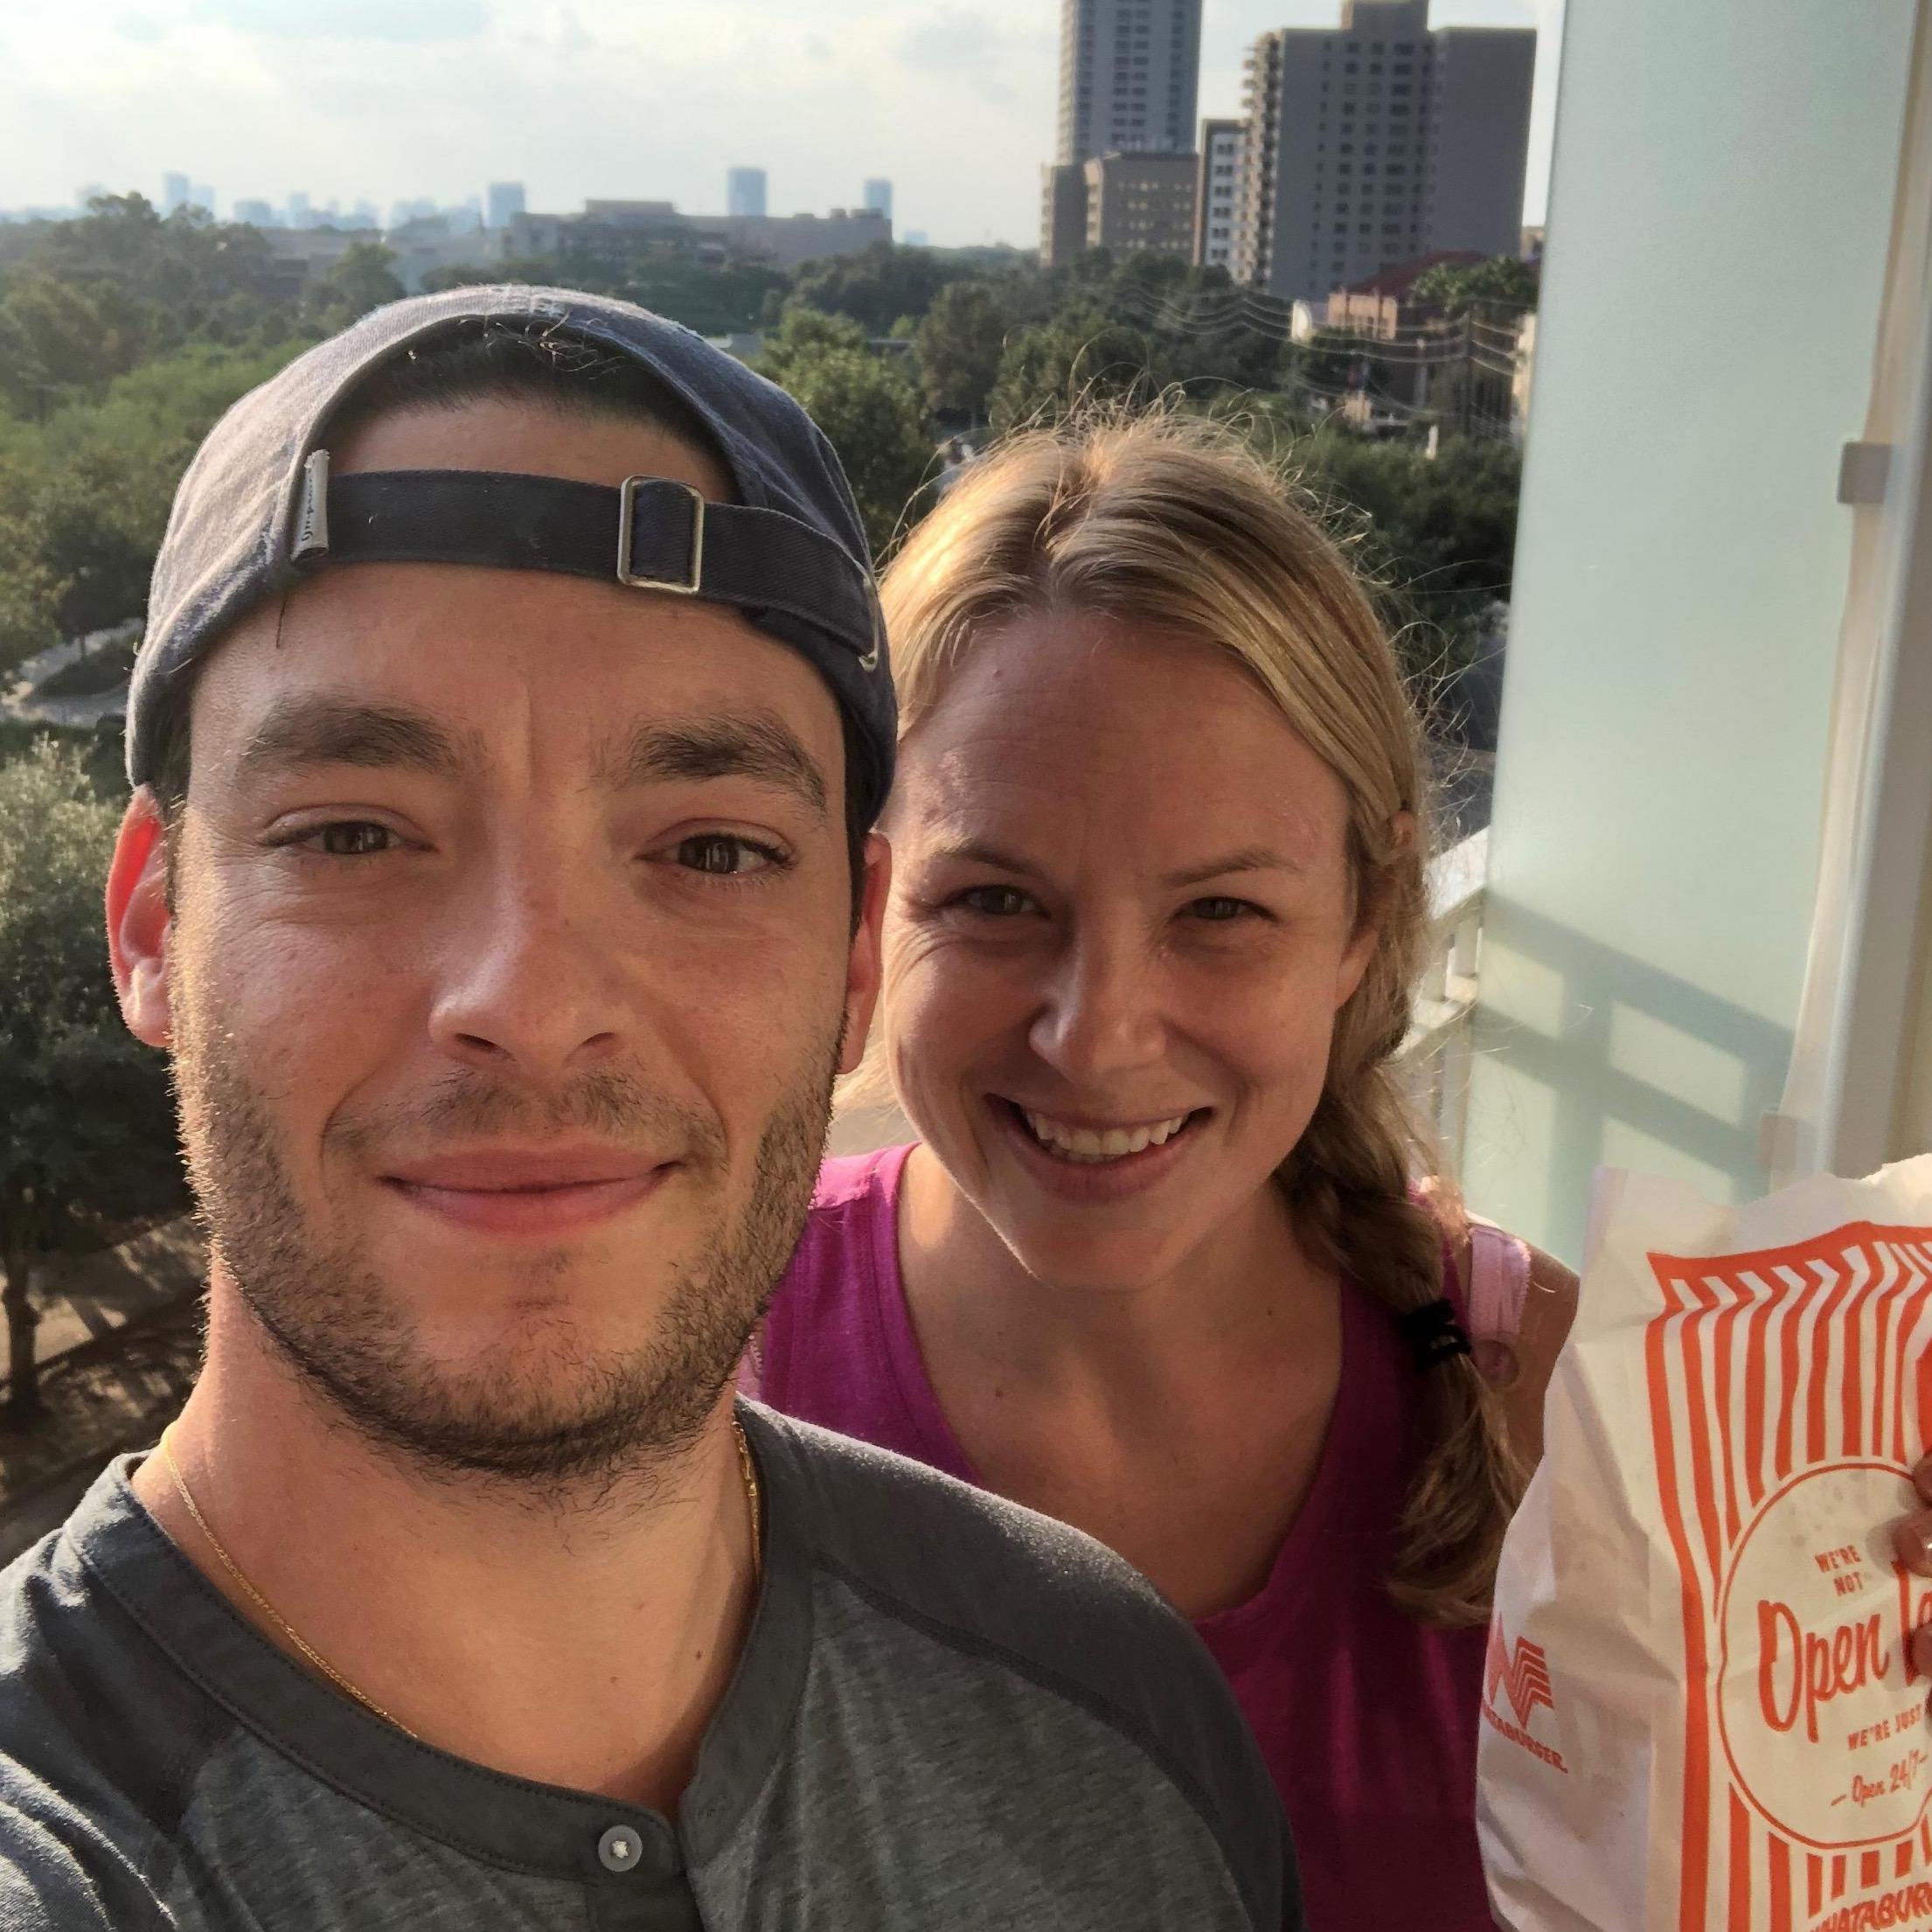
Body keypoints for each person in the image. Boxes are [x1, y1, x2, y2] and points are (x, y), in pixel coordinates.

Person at [0, 295, 1296, 1931]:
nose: (532, 998)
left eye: (709, 849)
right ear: (152, 930)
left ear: (848, 961)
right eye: (351, 834)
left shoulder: (1118, 1734)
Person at [747, 409, 1574, 1931]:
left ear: (1360, 915)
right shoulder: (701, 1369)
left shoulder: (1550, 1403)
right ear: (872, 908)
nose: (1098, 1035)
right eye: (994, 897)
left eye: (1219, 912)